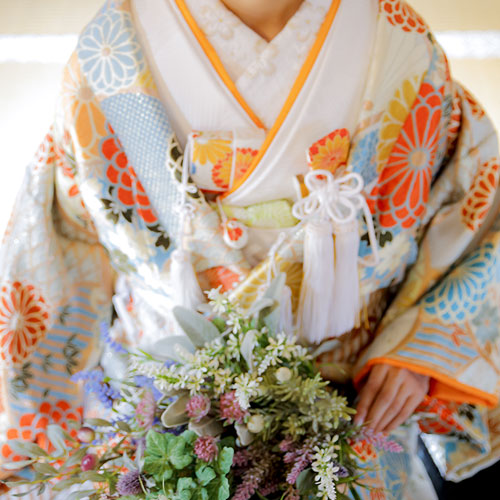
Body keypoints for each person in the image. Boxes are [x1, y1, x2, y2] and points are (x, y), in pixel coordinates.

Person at [1, 0, 499, 498]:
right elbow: (55, 258)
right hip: (167, 434)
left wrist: (418, 351)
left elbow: (479, 213)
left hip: (347, 421)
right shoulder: (112, 48)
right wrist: (36, 445)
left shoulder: (399, 40)